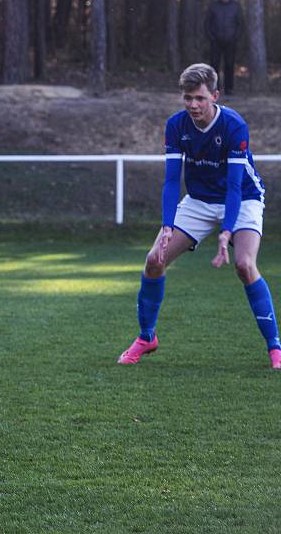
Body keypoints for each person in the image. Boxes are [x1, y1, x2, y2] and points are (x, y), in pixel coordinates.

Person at [118, 63, 279, 369]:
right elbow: (170, 181)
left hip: (243, 197)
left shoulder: (233, 125)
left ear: (215, 96)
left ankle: (275, 348)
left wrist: (227, 232)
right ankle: (146, 337)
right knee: (154, 260)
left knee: (245, 265)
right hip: (199, 201)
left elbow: (234, 186)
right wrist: (167, 226)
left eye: (200, 98)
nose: (193, 104)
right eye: (188, 98)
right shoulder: (176, 126)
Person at [204, 0, 243, 96]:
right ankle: (215, 88)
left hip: (230, 42)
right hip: (216, 41)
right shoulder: (214, 5)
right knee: (214, 65)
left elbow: (240, 23)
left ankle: (229, 89)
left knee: (229, 65)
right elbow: (207, 23)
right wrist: (211, 37)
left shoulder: (236, 6)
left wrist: (236, 37)